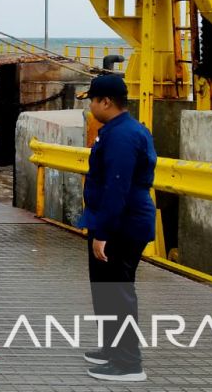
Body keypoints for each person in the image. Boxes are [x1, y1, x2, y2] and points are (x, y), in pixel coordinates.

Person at [77, 73, 156, 383]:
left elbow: (117, 187)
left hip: (122, 225)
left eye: (92, 101)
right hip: (115, 220)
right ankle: (111, 349)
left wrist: (104, 233)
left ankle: (128, 364)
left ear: (105, 101)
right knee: (106, 291)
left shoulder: (123, 136)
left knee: (118, 293)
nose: (90, 108)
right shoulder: (119, 130)